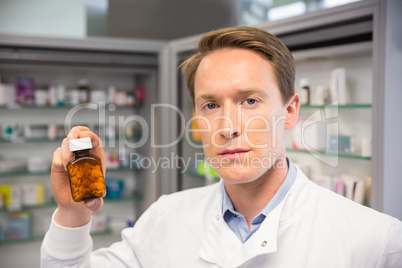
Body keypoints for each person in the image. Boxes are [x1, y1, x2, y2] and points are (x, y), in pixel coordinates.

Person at [41, 26, 402, 267]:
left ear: (290, 111)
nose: (227, 127)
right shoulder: (165, 217)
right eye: (211, 106)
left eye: (249, 101)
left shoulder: (377, 240)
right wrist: (74, 215)